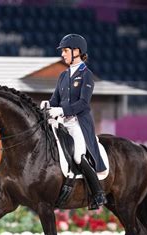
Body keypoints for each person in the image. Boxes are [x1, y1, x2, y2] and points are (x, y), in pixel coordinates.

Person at [43, 34, 107, 210]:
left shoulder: (86, 75)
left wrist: (62, 110)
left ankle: (98, 193)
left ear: (77, 51)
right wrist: (48, 106)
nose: (63, 54)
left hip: (78, 122)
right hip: (63, 123)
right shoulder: (63, 76)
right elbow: (55, 99)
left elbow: (83, 104)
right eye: (63, 51)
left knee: (78, 155)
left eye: (65, 51)